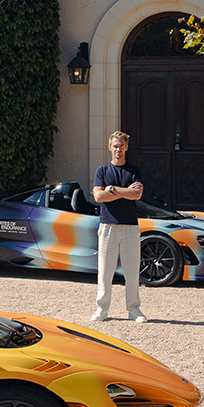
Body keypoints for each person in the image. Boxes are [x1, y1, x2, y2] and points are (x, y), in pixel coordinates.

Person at [91, 130, 147, 323]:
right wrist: (125, 192)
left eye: (122, 146)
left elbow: (136, 195)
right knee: (105, 271)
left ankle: (134, 310)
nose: (118, 149)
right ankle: (101, 309)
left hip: (130, 226)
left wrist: (112, 189)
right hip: (107, 226)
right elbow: (99, 196)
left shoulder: (134, 172)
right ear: (110, 147)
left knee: (131, 272)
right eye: (115, 146)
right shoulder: (102, 171)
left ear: (126, 147)